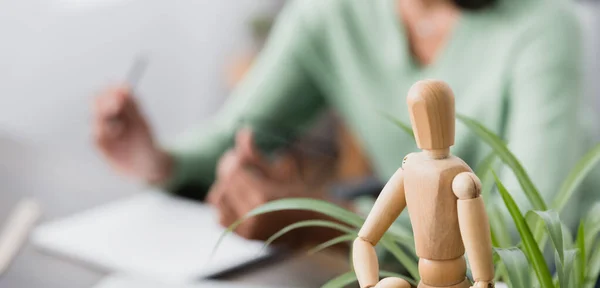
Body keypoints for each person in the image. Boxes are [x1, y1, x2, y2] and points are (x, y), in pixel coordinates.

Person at [93, 0, 591, 246]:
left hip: (573, 267)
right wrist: (155, 160)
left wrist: (326, 222)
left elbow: (533, 239)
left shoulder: (545, 26)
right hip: (419, 259)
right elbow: (235, 137)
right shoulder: (331, 13)